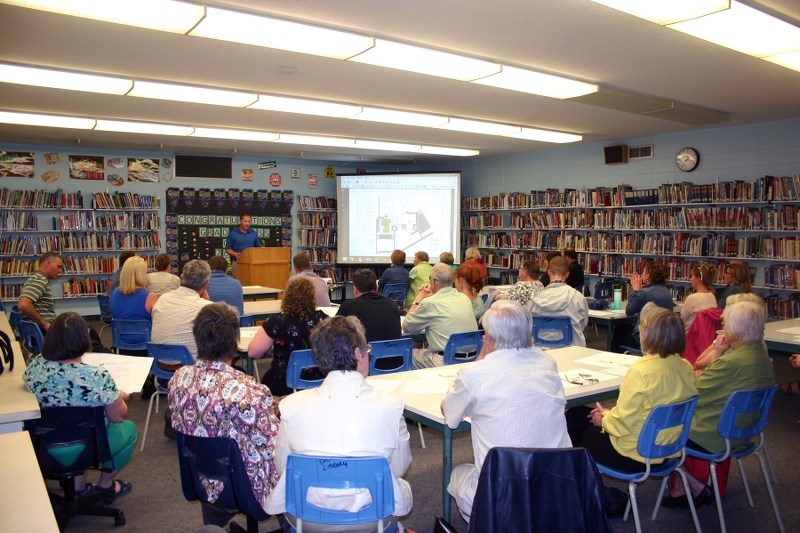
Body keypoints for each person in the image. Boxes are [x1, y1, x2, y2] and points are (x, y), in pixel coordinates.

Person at [265, 315, 413, 532]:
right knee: (402, 487)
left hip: (307, 517)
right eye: (367, 351)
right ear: (357, 354)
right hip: (373, 517)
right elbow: (399, 467)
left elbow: (283, 466)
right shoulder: (391, 406)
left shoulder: (291, 406)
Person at [442, 301, 572, 523]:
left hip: (502, 493)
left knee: (457, 474)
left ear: (489, 338)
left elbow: (450, 415)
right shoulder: (548, 363)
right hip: (555, 486)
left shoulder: (475, 373)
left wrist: (483, 356)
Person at [168, 303, 280, 528]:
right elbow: (273, 445)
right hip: (250, 487)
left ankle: (215, 522)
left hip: (201, 479)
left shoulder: (177, 380)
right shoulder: (249, 390)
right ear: (235, 342)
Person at [665, 297, 774, 507]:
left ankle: (689, 486)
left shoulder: (731, 362)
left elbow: (692, 393)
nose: (721, 328)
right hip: (743, 431)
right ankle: (685, 486)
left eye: (725, 325)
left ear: (737, 330)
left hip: (714, 435)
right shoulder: (760, 353)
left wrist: (695, 372)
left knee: (659, 430)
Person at [571, 304, 697, 478]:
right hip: (669, 447)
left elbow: (622, 424)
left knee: (575, 425)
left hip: (633, 453)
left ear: (648, 336)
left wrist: (605, 420)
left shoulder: (641, 371)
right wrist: (609, 415)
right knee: (581, 415)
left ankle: (582, 489)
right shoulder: (687, 368)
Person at [24, 312, 137, 498]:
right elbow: (118, 416)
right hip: (89, 445)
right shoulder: (96, 377)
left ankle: (77, 488)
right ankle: (106, 486)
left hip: (41, 444)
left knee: (74, 424)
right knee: (128, 429)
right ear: (83, 340)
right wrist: (120, 395)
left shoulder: (35, 366)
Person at [249, 277, 328, 396]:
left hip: (284, 383)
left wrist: (274, 347)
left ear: (287, 297)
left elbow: (253, 353)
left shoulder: (276, 321)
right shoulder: (323, 320)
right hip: (319, 381)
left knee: (266, 378)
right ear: (312, 298)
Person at [402, 263, 477, 369]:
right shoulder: (464, 298)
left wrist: (418, 299)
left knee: (405, 354)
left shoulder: (430, 303)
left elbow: (406, 327)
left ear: (433, 281)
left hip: (445, 360)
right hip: (471, 358)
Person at [151, 259, 213, 359]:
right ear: (206, 284)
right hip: (190, 369)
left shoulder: (162, 299)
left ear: (181, 277)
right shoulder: (205, 307)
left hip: (160, 364)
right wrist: (207, 300)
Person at [612, 259, 673, 351]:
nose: (642, 275)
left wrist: (636, 290)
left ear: (648, 276)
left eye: (644, 272)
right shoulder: (667, 292)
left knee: (620, 329)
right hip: (663, 335)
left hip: (647, 336)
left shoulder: (644, 293)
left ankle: (615, 355)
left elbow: (629, 311)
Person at [529, 256, 589, 347]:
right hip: (571, 352)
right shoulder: (578, 298)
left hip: (540, 352)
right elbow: (583, 324)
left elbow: (528, 323)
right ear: (567, 274)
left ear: (548, 273)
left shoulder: (534, 299)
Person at [110, 256, 158, 355]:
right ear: (141, 274)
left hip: (121, 345)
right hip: (145, 347)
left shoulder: (115, 293)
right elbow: (157, 324)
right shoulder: (150, 297)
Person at [336, 268, 401, 342]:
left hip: (362, 352)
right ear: (376, 287)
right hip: (392, 352)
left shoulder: (348, 307)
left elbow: (333, 332)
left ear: (355, 290)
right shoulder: (393, 306)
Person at [18, 251, 63, 332]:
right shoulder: (39, 280)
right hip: (43, 331)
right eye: (58, 267)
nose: (59, 271)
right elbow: (23, 305)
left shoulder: (38, 279)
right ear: (48, 263)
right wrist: (45, 324)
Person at [680, 263, 718, 332]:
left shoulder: (691, 298)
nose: (690, 279)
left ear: (698, 279)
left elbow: (681, 322)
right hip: (706, 336)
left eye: (692, 276)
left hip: (690, 337)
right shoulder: (712, 296)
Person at [225, 213, 261, 278]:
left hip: (251, 263)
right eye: (245, 221)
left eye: (249, 221)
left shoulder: (253, 233)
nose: (247, 223)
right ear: (240, 221)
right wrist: (235, 254)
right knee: (238, 283)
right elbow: (228, 249)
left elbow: (259, 248)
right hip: (237, 263)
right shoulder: (233, 234)